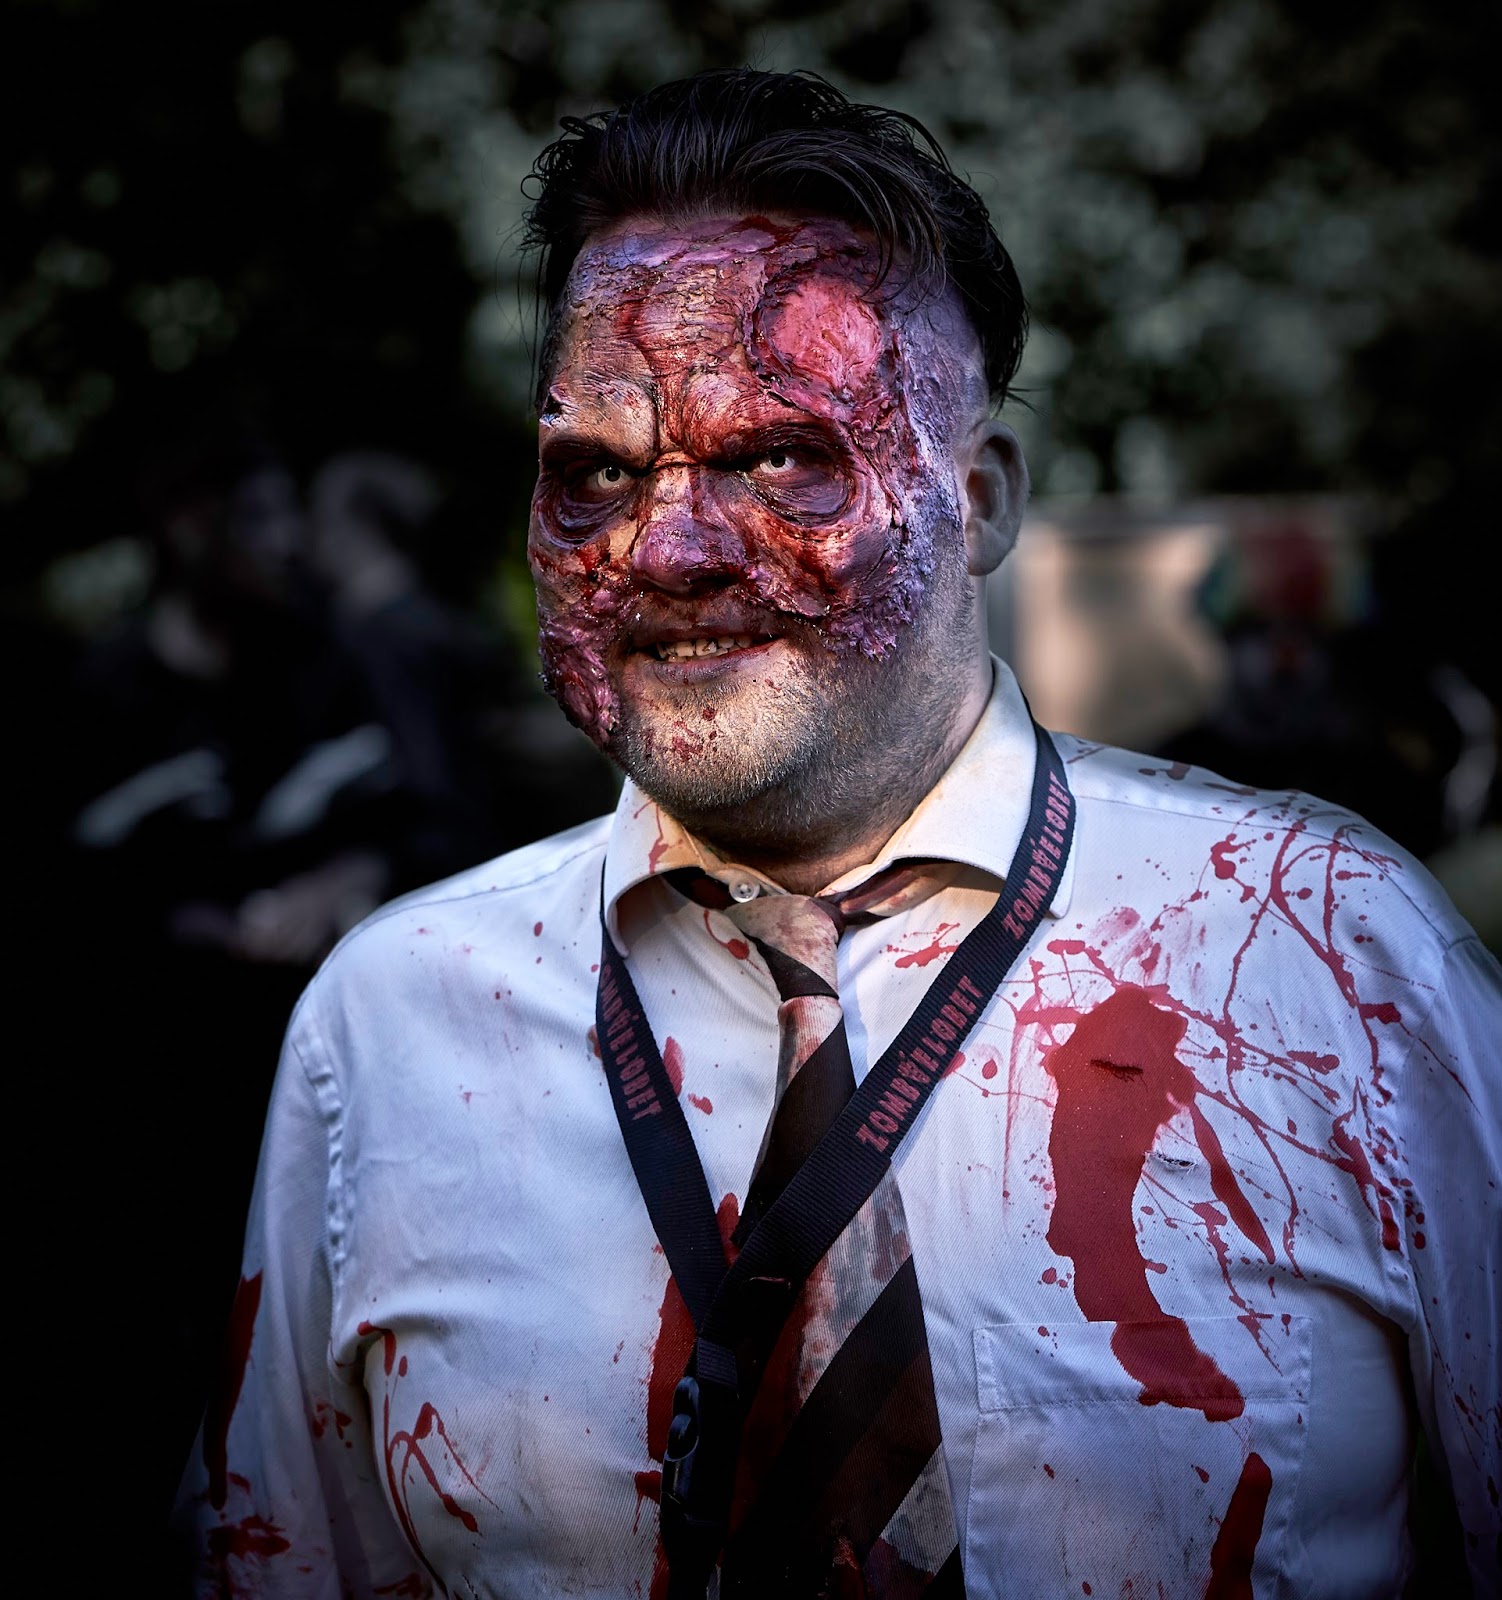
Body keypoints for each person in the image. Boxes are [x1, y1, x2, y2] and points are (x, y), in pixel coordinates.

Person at [176, 70, 1501, 1598]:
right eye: (595, 472)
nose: (666, 547)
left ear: (980, 499)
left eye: (782, 457)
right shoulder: (388, 1026)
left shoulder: (1322, 961)